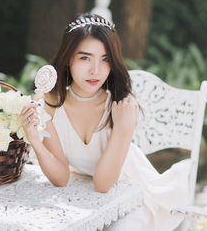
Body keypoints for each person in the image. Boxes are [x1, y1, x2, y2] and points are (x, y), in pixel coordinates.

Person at [19, 13, 190, 230]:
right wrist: (34, 139)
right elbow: (61, 178)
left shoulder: (121, 105)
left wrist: (123, 129)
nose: (96, 71)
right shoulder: (49, 103)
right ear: (68, 58)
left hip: (133, 192)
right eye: (85, 58)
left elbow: (103, 184)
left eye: (105, 59)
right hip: (86, 193)